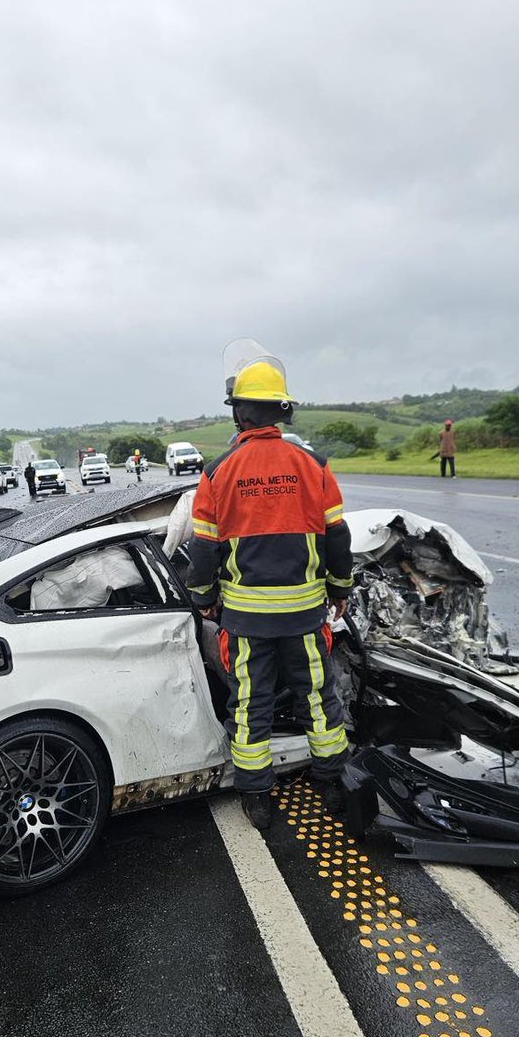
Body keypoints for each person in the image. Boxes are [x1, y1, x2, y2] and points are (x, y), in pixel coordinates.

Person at [185, 340, 353, 830]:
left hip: (246, 620)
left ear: (240, 413)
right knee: (317, 698)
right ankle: (331, 779)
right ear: (280, 411)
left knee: (250, 704)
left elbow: (203, 550)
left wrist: (204, 599)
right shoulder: (314, 466)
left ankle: (257, 797)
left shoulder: (217, 472)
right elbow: (337, 538)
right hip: (304, 618)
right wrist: (340, 589)